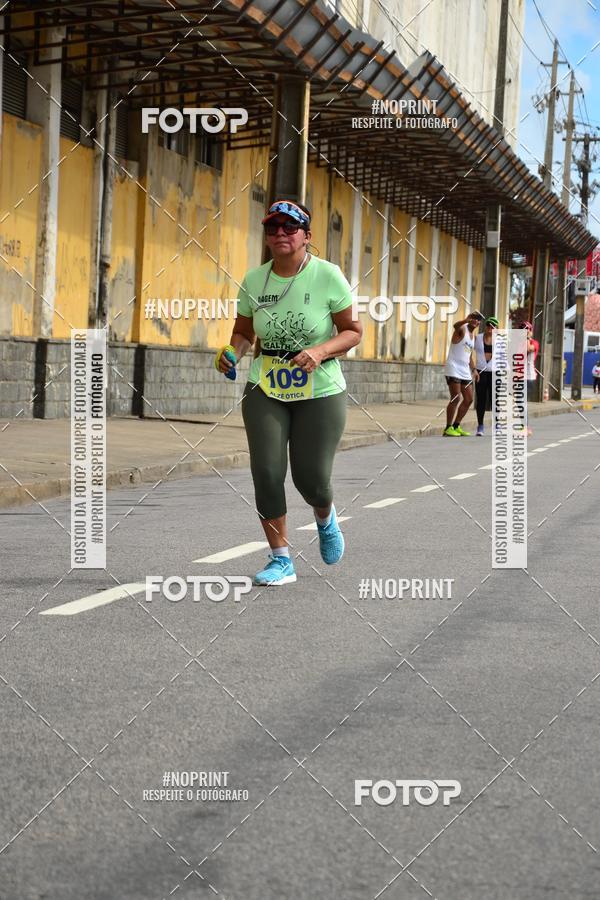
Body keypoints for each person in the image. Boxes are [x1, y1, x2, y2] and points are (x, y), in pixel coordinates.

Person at [215, 199, 362, 586]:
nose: (280, 233)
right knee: (266, 471)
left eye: (289, 227)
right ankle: (281, 559)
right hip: (267, 384)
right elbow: (245, 333)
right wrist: (232, 352)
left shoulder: (328, 276)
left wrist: (319, 350)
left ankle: (325, 517)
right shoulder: (253, 280)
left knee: (311, 478)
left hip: (321, 388)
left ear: (306, 237)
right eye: (272, 227)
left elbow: (352, 332)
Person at [443, 311, 483, 436]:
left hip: (465, 369)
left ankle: (456, 425)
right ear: (470, 318)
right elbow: (455, 326)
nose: (476, 321)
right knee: (456, 397)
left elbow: (469, 355)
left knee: (469, 399)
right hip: (453, 367)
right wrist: (466, 320)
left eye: (479, 319)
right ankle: (448, 428)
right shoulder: (462, 329)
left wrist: (474, 369)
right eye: (474, 318)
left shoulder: (473, 336)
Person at [474, 316, 499, 435]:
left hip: (495, 372)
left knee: (495, 400)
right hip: (480, 372)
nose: (490, 328)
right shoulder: (477, 338)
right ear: (486, 326)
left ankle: (497, 425)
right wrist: (473, 369)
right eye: (489, 325)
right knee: (481, 400)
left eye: (493, 326)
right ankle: (480, 426)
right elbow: (467, 352)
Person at [521, 320, 539, 435]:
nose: (525, 331)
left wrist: (527, 338)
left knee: (522, 402)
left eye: (527, 329)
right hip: (518, 376)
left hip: (529, 376)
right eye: (523, 329)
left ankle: (526, 427)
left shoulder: (534, 342)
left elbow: (529, 349)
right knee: (519, 402)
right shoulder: (518, 343)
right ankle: (523, 426)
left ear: (531, 331)